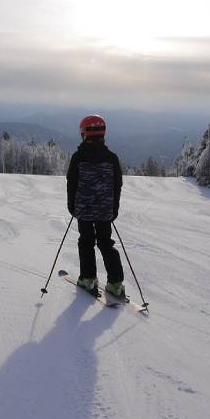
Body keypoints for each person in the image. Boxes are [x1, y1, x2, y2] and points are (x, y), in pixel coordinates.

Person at [66, 114, 126, 298]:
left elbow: (72, 184)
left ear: (84, 133)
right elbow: (117, 185)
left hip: (84, 210)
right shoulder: (112, 158)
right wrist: (113, 208)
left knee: (86, 242)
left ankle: (88, 278)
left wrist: (72, 207)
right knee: (106, 243)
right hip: (105, 211)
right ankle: (116, 283)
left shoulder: (78, 158)